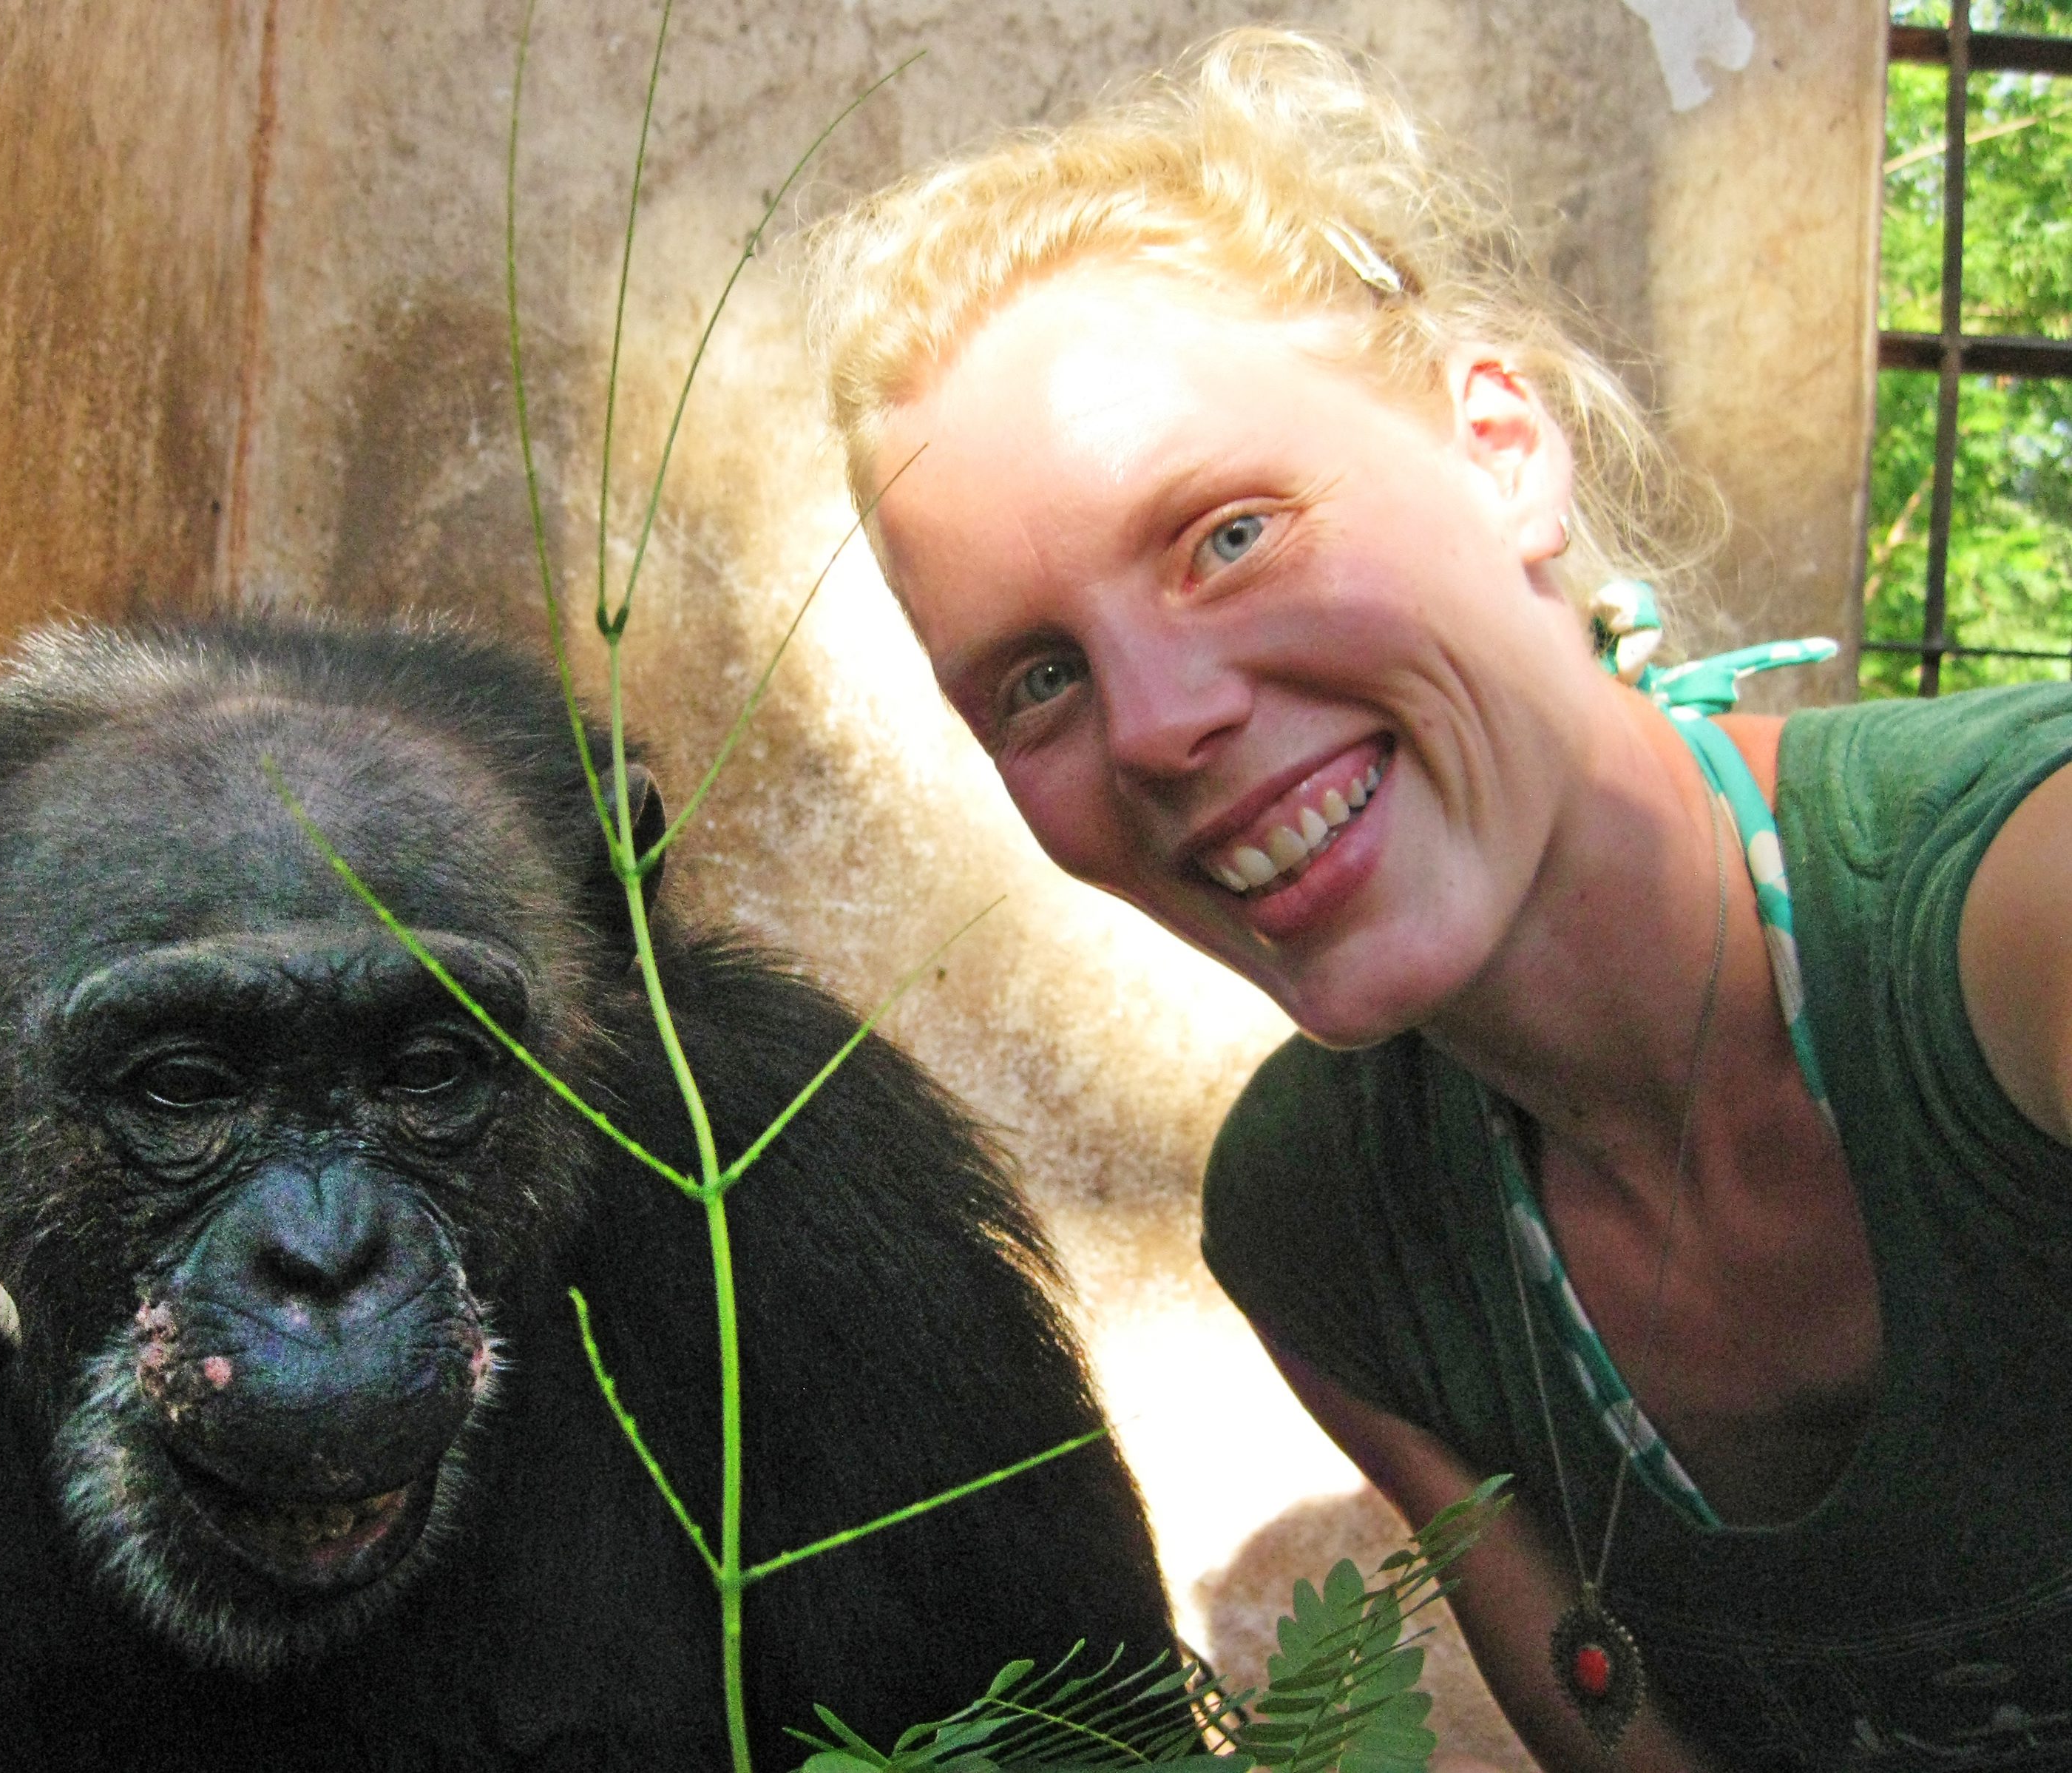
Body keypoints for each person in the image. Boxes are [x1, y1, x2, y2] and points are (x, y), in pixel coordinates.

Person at [802, 27, 2072, 1772]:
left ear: (1499, 450)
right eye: (1033, 680)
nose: (1160, 724)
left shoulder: (2025, 914)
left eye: (1226, 533)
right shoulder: (1317, 1218)